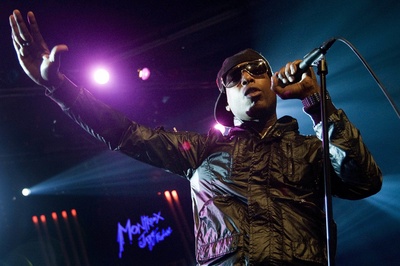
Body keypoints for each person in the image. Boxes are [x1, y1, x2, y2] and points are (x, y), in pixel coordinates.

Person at [9, 10, 382, 266]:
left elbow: (365, 180)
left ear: (272, 83)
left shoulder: (309, 151)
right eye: (235, 79)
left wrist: (317, 101)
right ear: (227, 103)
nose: (247, 79)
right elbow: (126, 133)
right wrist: (58, 86)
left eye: (256, 71)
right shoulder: (203, 151)